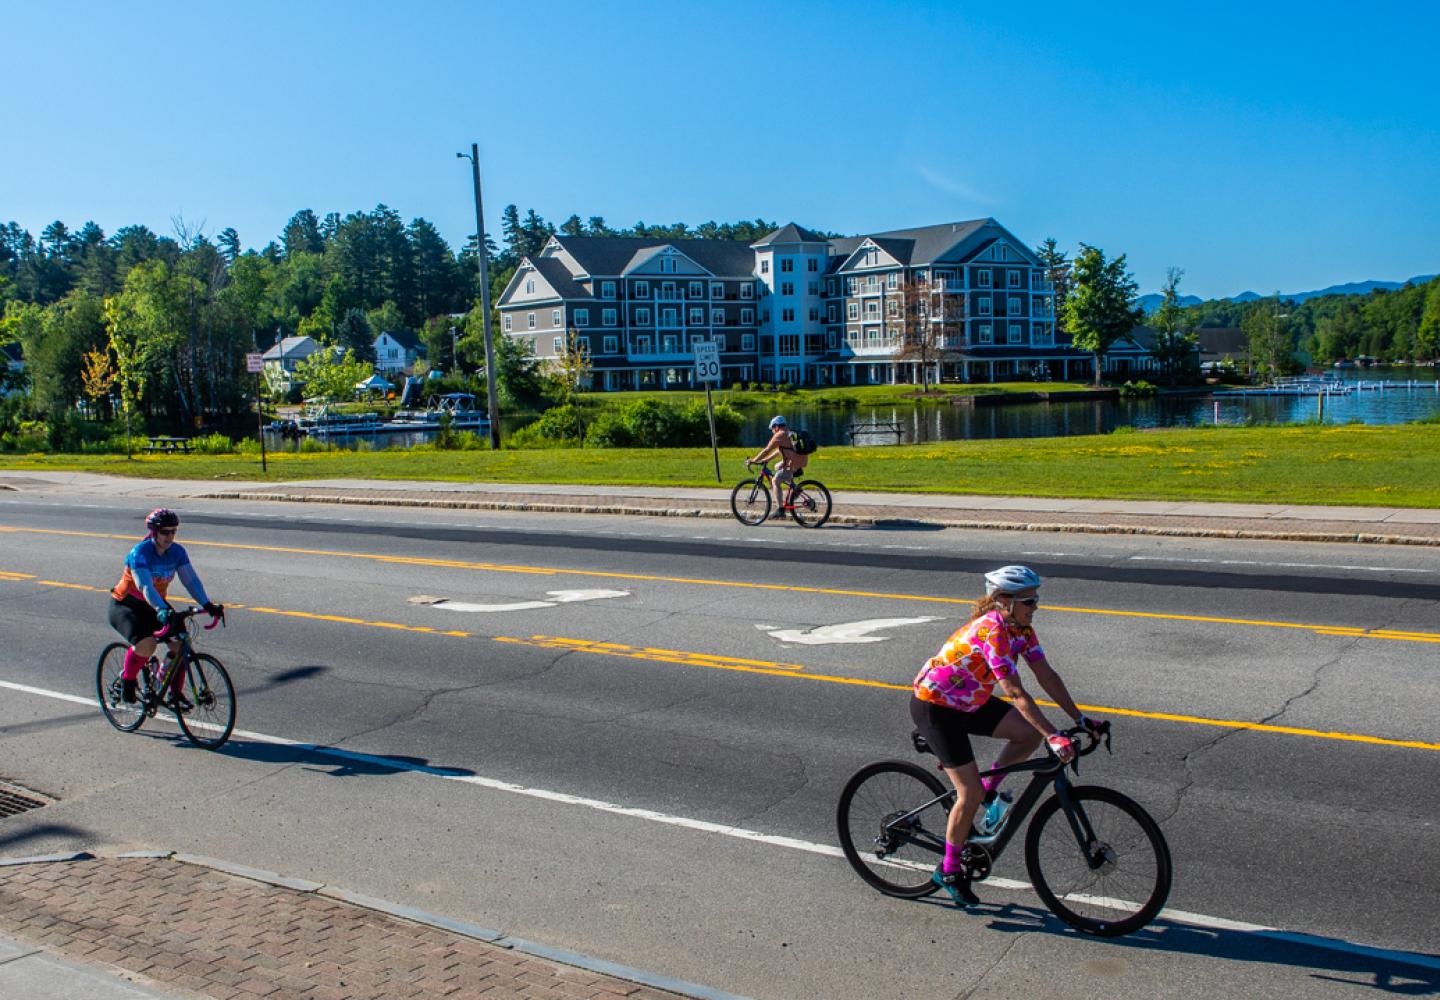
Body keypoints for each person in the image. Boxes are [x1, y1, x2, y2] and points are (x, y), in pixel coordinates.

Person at [909, 565, 1099, 907]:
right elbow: (1014, 691)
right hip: (936, 707)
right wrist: (1054, 735)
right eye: (1028, 600)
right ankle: (949, 869)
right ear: (1003, 601)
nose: (1035, 605)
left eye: (1036, 598)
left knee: (1026, 736)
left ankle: (989, 797)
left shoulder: (1022, 629)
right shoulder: (992, 631)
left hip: (969, 701)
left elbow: (1047, 675)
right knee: (966, 792)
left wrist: (1082, 718)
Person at [108, 508, 222, 706]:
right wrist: (162, 609)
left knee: (181, 645)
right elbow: (145, 586)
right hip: (128, 604)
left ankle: (173, 692)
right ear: (153, 532)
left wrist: (207, 604)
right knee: (147, 645)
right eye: (165, 532)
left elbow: (191, 580)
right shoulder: (140, 553)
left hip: (155, 603)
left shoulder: (177, 552)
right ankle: (127, 680)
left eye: (173, 531)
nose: (170, 536)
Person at [746, 415, 807, 521]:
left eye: (772, 428)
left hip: (793, 462)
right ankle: (795, 490)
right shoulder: (788, 432)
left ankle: (780, 510)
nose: (772, 431)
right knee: (777, 467)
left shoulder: (779, 435)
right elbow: (779, 451)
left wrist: (753, 460)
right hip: (799, 460)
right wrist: (766, 460)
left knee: (775, 480)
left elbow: (766, 450)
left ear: (776, 426)